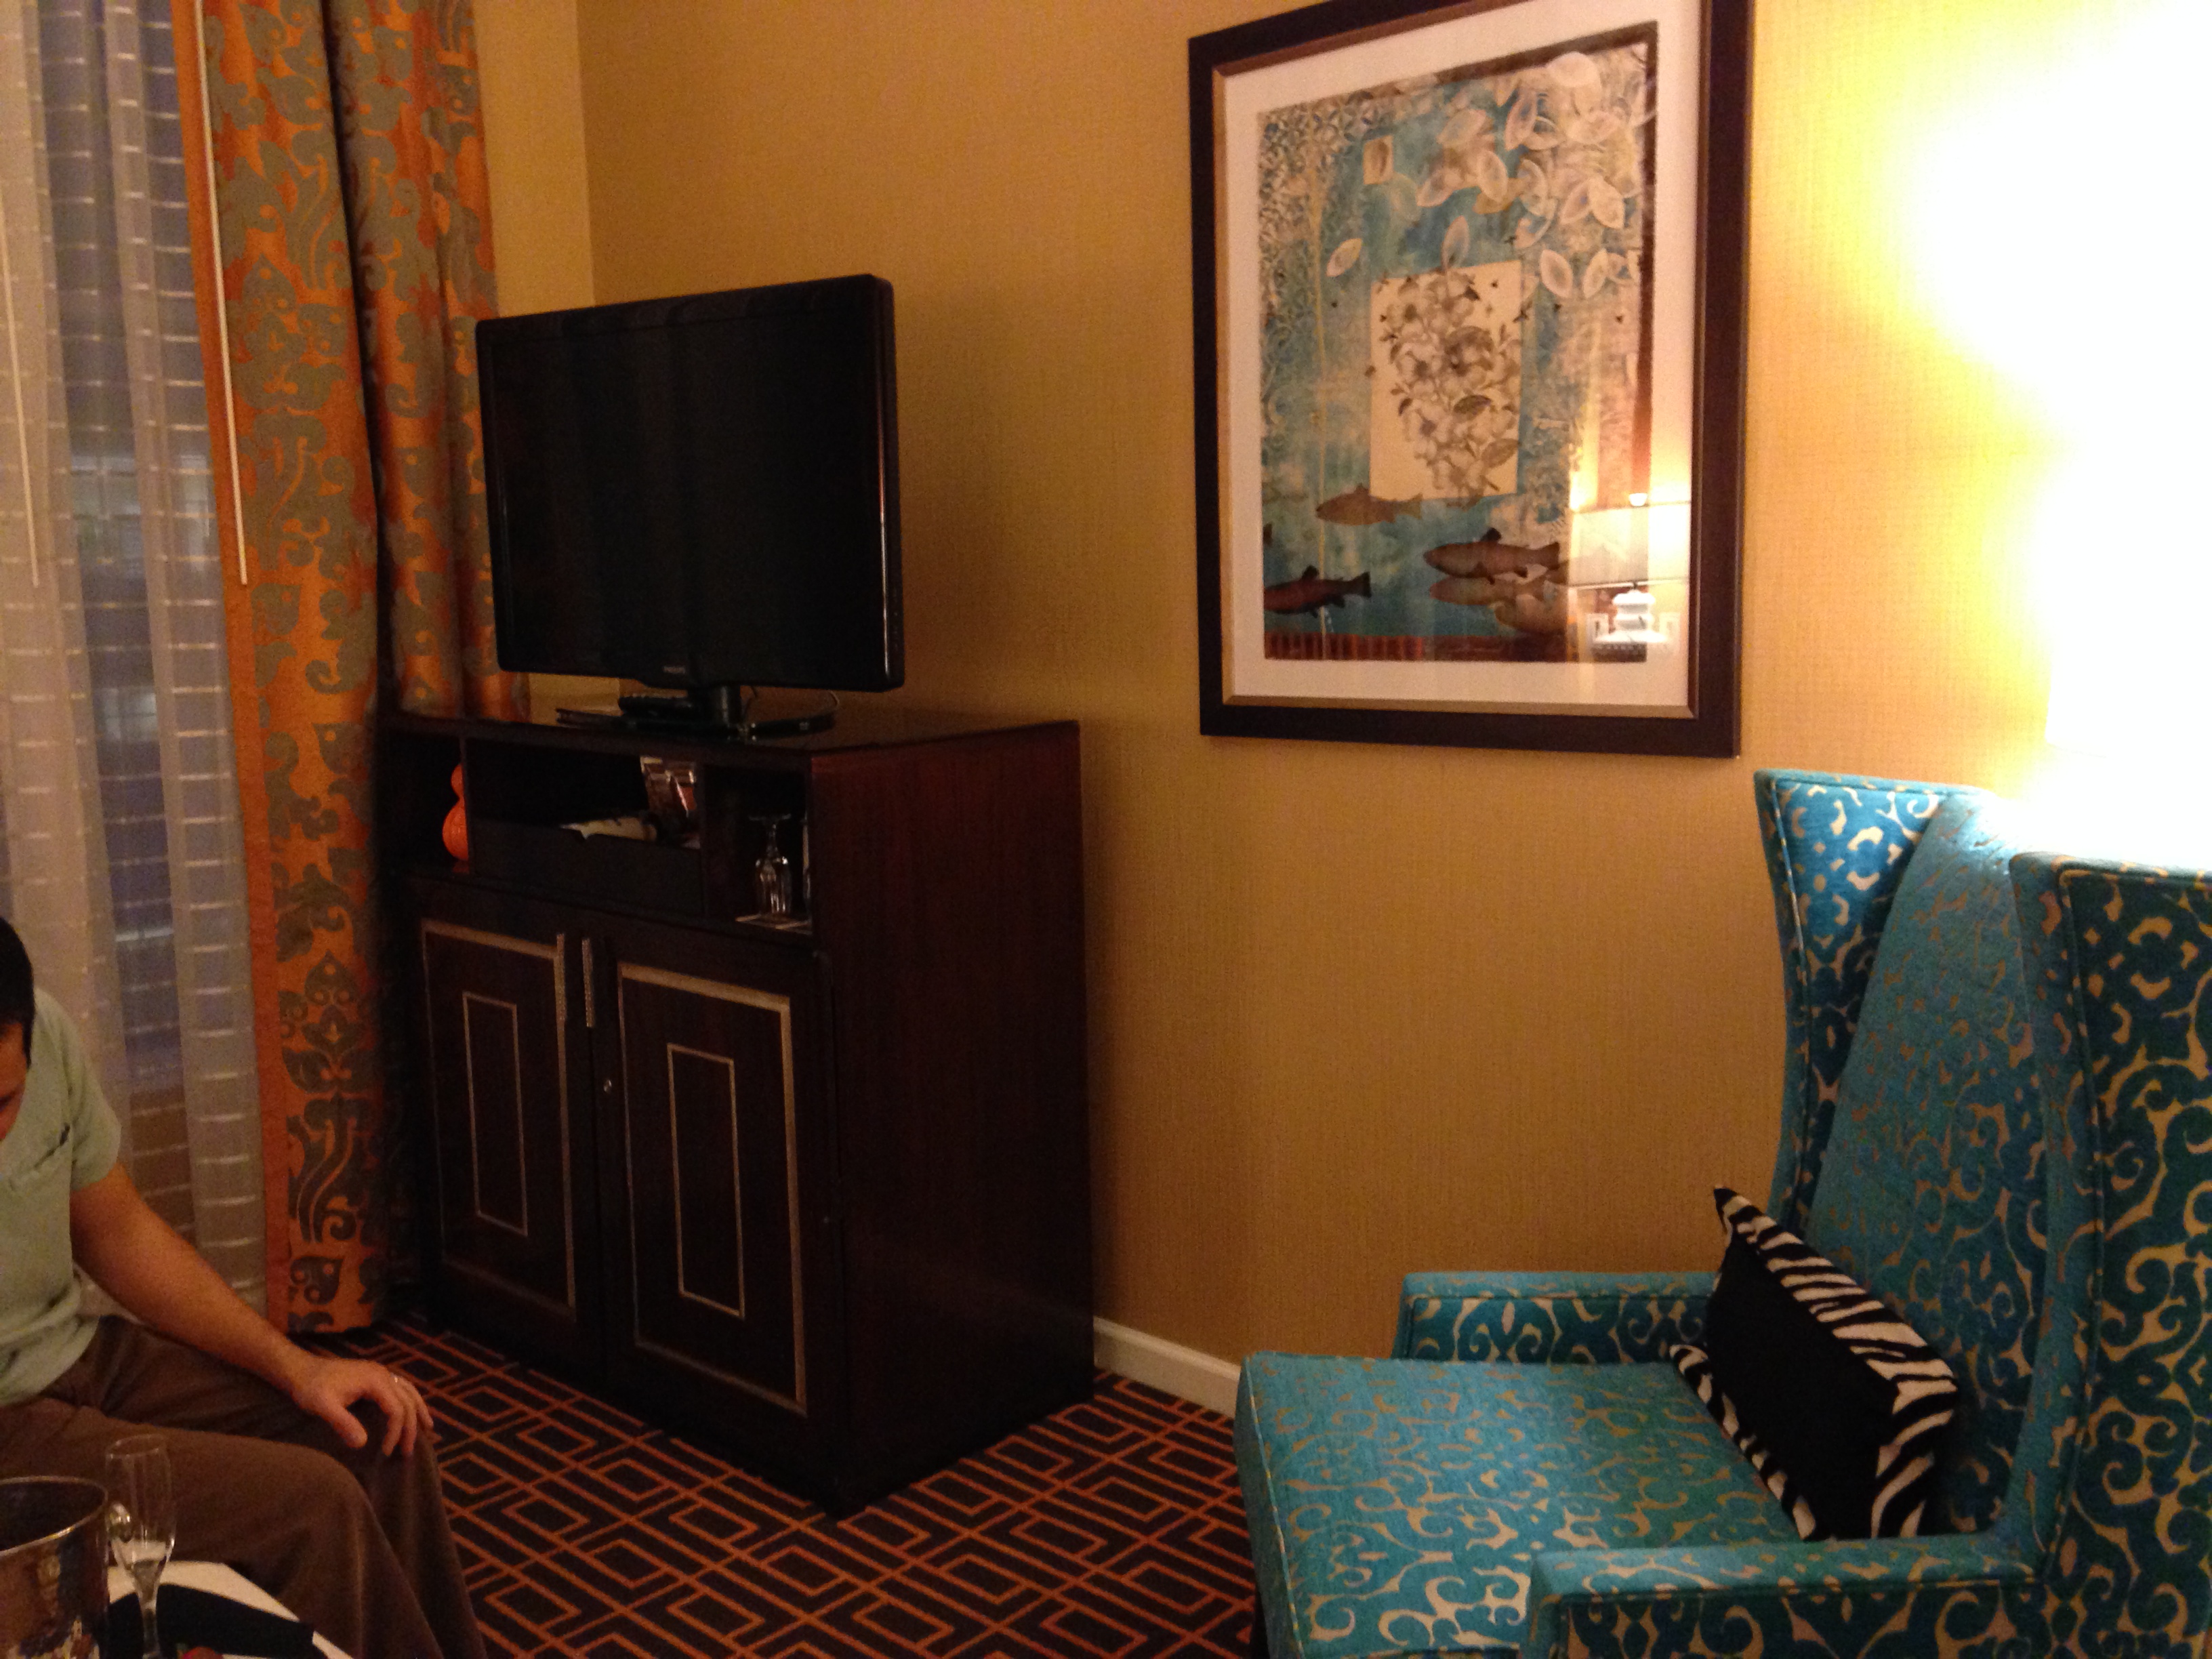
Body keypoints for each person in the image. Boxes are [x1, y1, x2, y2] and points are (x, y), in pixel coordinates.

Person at [0, 916, 485, 1659]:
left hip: (80, 1354)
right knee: (313, 1505)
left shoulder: (43, 1027)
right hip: (11, 1425)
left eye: (3, 1103)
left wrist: (301, 1368)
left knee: (374, 1430)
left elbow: (118, 1233)